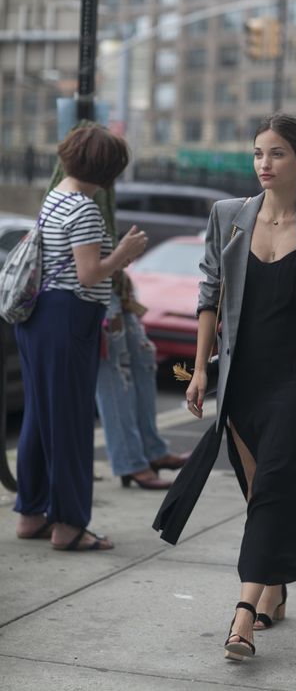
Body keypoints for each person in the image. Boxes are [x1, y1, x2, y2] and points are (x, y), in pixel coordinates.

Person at [185, 113, 296, 660]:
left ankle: (243, 613)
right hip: (244, 374)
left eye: (278, 154)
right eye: (259, 153)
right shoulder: (229, 216)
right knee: (260, 490)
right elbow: (210, 292)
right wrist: (199, 368)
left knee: (275, 484)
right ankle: (275, 587)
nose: (265, 164)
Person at [14, 124, 147, 551]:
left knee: (40, 415)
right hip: (69, 316)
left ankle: (31, 512)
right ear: (107, 171)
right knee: (70, 422)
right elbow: (90, 273)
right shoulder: (85, 209)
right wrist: (123, 256)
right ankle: (69, 524)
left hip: (38, 315)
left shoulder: (55, 197)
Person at [95, 280, 190, 489]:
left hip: (115, 288)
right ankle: (130, 461)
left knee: (143, 359)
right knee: (115, 376)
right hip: (96, 289)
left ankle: (152, 450)